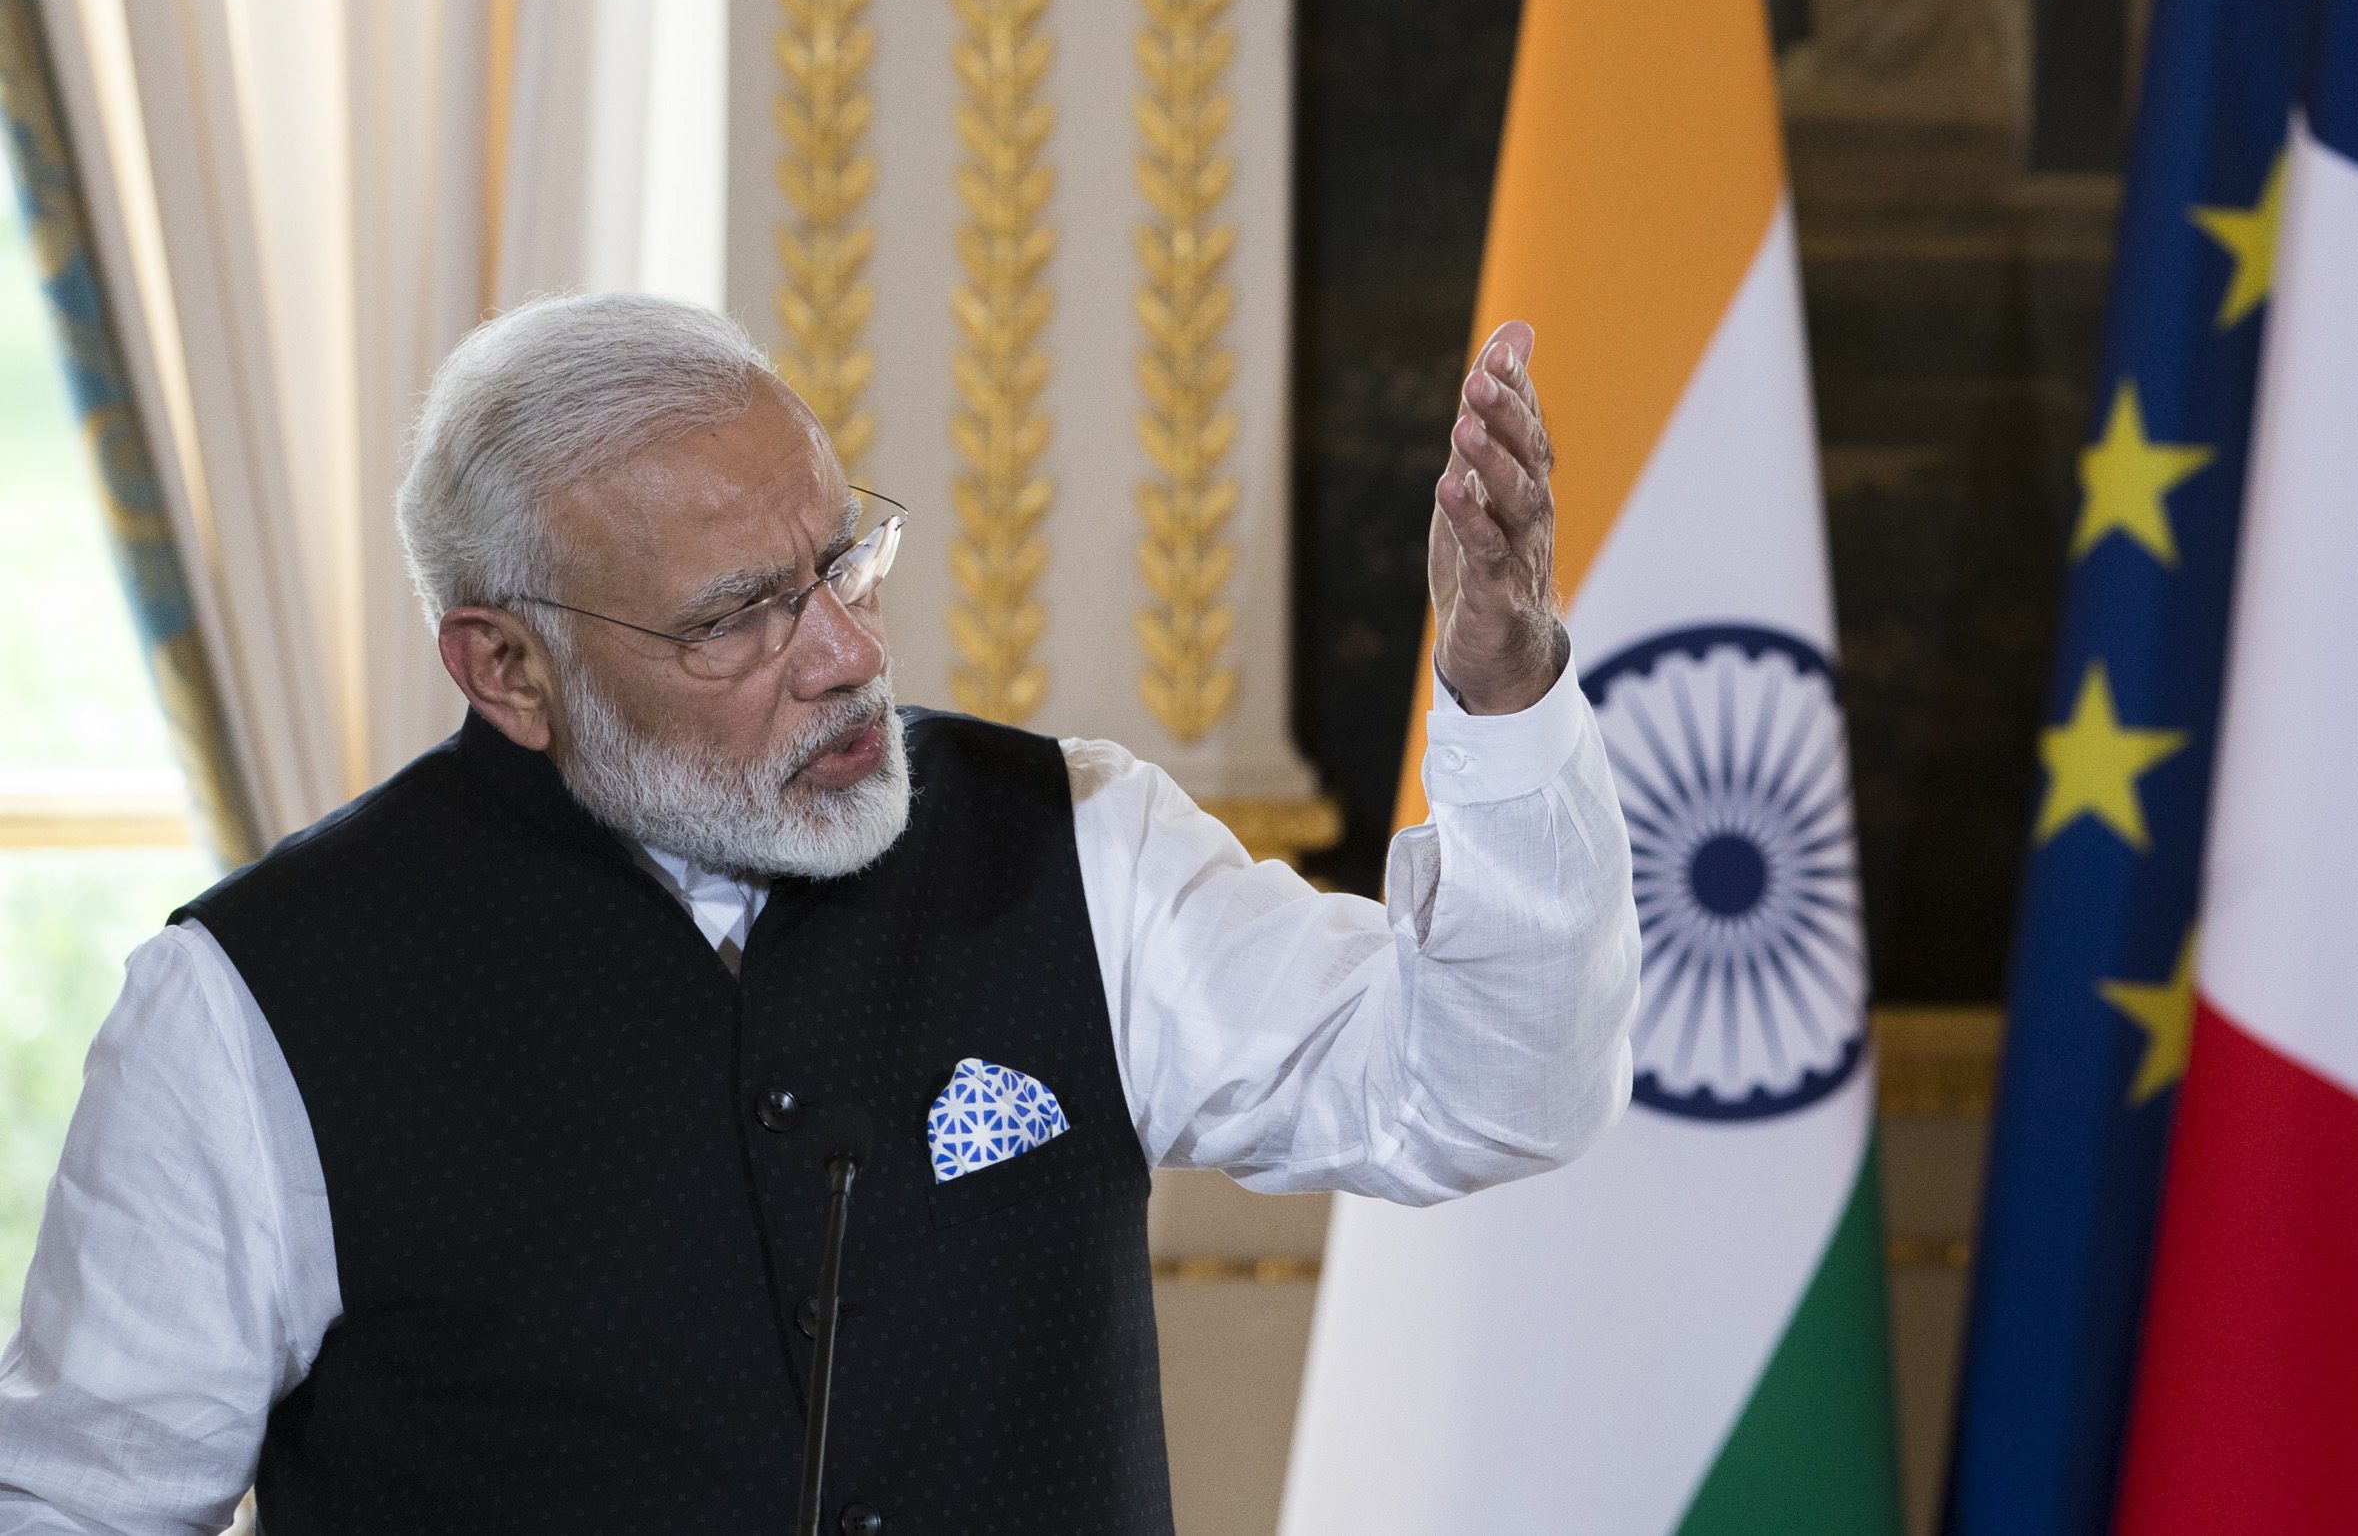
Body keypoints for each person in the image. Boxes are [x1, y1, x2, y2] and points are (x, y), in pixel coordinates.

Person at [0, 293, 1633, 1534]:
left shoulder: (1073, 844)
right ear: (507, 667)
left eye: (843, 566)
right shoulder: (254, 1007)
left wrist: (1503, 703)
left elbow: (1492, 1089)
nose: (847, 654)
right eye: (738, 620)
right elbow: (77, 1506)